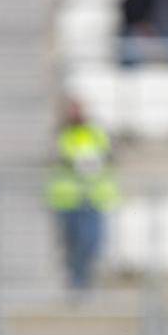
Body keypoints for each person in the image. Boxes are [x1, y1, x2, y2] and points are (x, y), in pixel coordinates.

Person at [46, 99, 119, 291]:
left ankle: (84, 282)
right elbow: (55, 160)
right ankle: (75, 283)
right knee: (71, 244)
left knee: (90, 243)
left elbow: (110, 156)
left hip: (93, 198)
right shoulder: (61, 134)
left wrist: (94, 162)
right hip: (67, 200)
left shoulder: (96, 133)